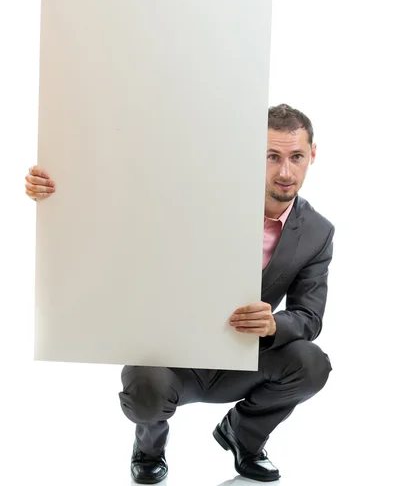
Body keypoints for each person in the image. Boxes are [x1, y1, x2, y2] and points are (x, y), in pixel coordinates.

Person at [25, 103, 334, 484]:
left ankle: (244, 435)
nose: (285, 172)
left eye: (296, 157)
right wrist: (55, 194)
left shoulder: (318, 232)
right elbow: (120, 205)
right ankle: (150, 447)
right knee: (143, 385)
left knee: (312, 363)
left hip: (246, 359)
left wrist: (273, 324)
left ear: (312, 156)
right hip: (174, 359)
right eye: (272, 156)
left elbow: (309, 317)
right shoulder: (199, 198)